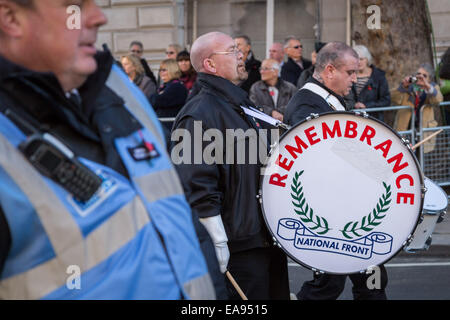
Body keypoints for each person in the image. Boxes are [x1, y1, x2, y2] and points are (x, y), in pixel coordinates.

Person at [0, 0, 217, 300]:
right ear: (10, 17)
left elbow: (172, 207)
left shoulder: (119, 87)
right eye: (74, 6)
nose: (99, 17)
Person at [170, 31, 290, 300]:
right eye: (233, 51)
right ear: (210, 64)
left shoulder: (237, 104)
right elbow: (195, 184)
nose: (241, 56)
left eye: (240, 50)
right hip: (239, 247)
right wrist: (217, 241)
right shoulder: (197, 113)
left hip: (263, 238)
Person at [285, 42, 389, 300]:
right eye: (350, 72)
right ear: (329, 70)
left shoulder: (327, 100)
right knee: (330, 284)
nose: (355, 80)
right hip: (331, 210)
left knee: (368, 279)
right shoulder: (307, 104)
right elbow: (320, 156)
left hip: (346, 207)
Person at [392, 63, 443, 153]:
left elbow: (438, 100)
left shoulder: (432, 87)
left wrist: (427, 86)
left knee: (421, 158)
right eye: (418, 74)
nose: (420, 77)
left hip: (423, 130)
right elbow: (393, 98)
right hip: (406, 129)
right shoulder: (409, 87)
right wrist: (403, 86)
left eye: (424, 75)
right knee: (404, 155)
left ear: (429, 79)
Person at [345, 45, 390, 121]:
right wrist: (353, 105)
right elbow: (344, 97)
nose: (359, 62)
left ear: (367, 59)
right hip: (352, 119)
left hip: (373, 120)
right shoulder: (348, 75)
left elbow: (386, 100)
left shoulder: (378, 76)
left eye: (361, 59)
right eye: (356, 59)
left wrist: (366, 105)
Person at [150, 59, 188, 135]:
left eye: (164, 70)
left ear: (172, 69)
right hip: (164, 128)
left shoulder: (177, 86)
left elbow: (157, 101)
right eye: (160, 70)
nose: (161, 73)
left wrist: (155, 97)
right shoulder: (165, 86)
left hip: (172, 130)